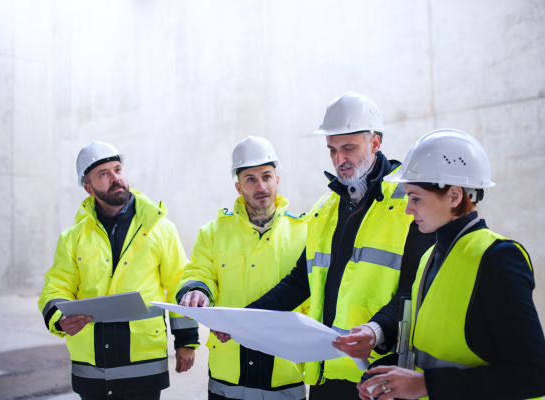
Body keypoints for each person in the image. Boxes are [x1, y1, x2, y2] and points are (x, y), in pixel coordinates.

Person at [217, 92, 435, 399]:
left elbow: (417, 290)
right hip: (328, 374)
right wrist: (244, 320)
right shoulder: (325, 209)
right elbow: (300, 281)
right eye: (332, 150)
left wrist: (376, 330)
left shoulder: (408, 204)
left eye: (348, 148)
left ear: (375, 143)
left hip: (383, 374)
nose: (339, 160)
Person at [356, 129, 545, 400]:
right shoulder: (430, 256)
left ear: (455, 197)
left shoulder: (497, 258)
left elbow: (534, 376)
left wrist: (425, 384)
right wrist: (387, 374)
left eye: (416, 198)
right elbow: (429, 353)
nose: (408, 209)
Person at [38, 142, 199, 400]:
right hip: (92, 365)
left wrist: (186, 341)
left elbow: (181, 284)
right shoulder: (72, 238)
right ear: (88, 188)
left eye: (117, 169)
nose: (116, 178)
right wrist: (58, 318)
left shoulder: (161, 229)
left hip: (144, 360)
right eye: (104, 174)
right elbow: (56, 286)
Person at [176, 136, 309, 400]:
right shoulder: (213, 232)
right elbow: (198, 273)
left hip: (284, 372)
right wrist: (198, 291)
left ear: (277, 180)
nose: (261, 186)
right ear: (238, 187)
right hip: (228, 373)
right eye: (250, 179)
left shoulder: (304, 232)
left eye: (267, 176)